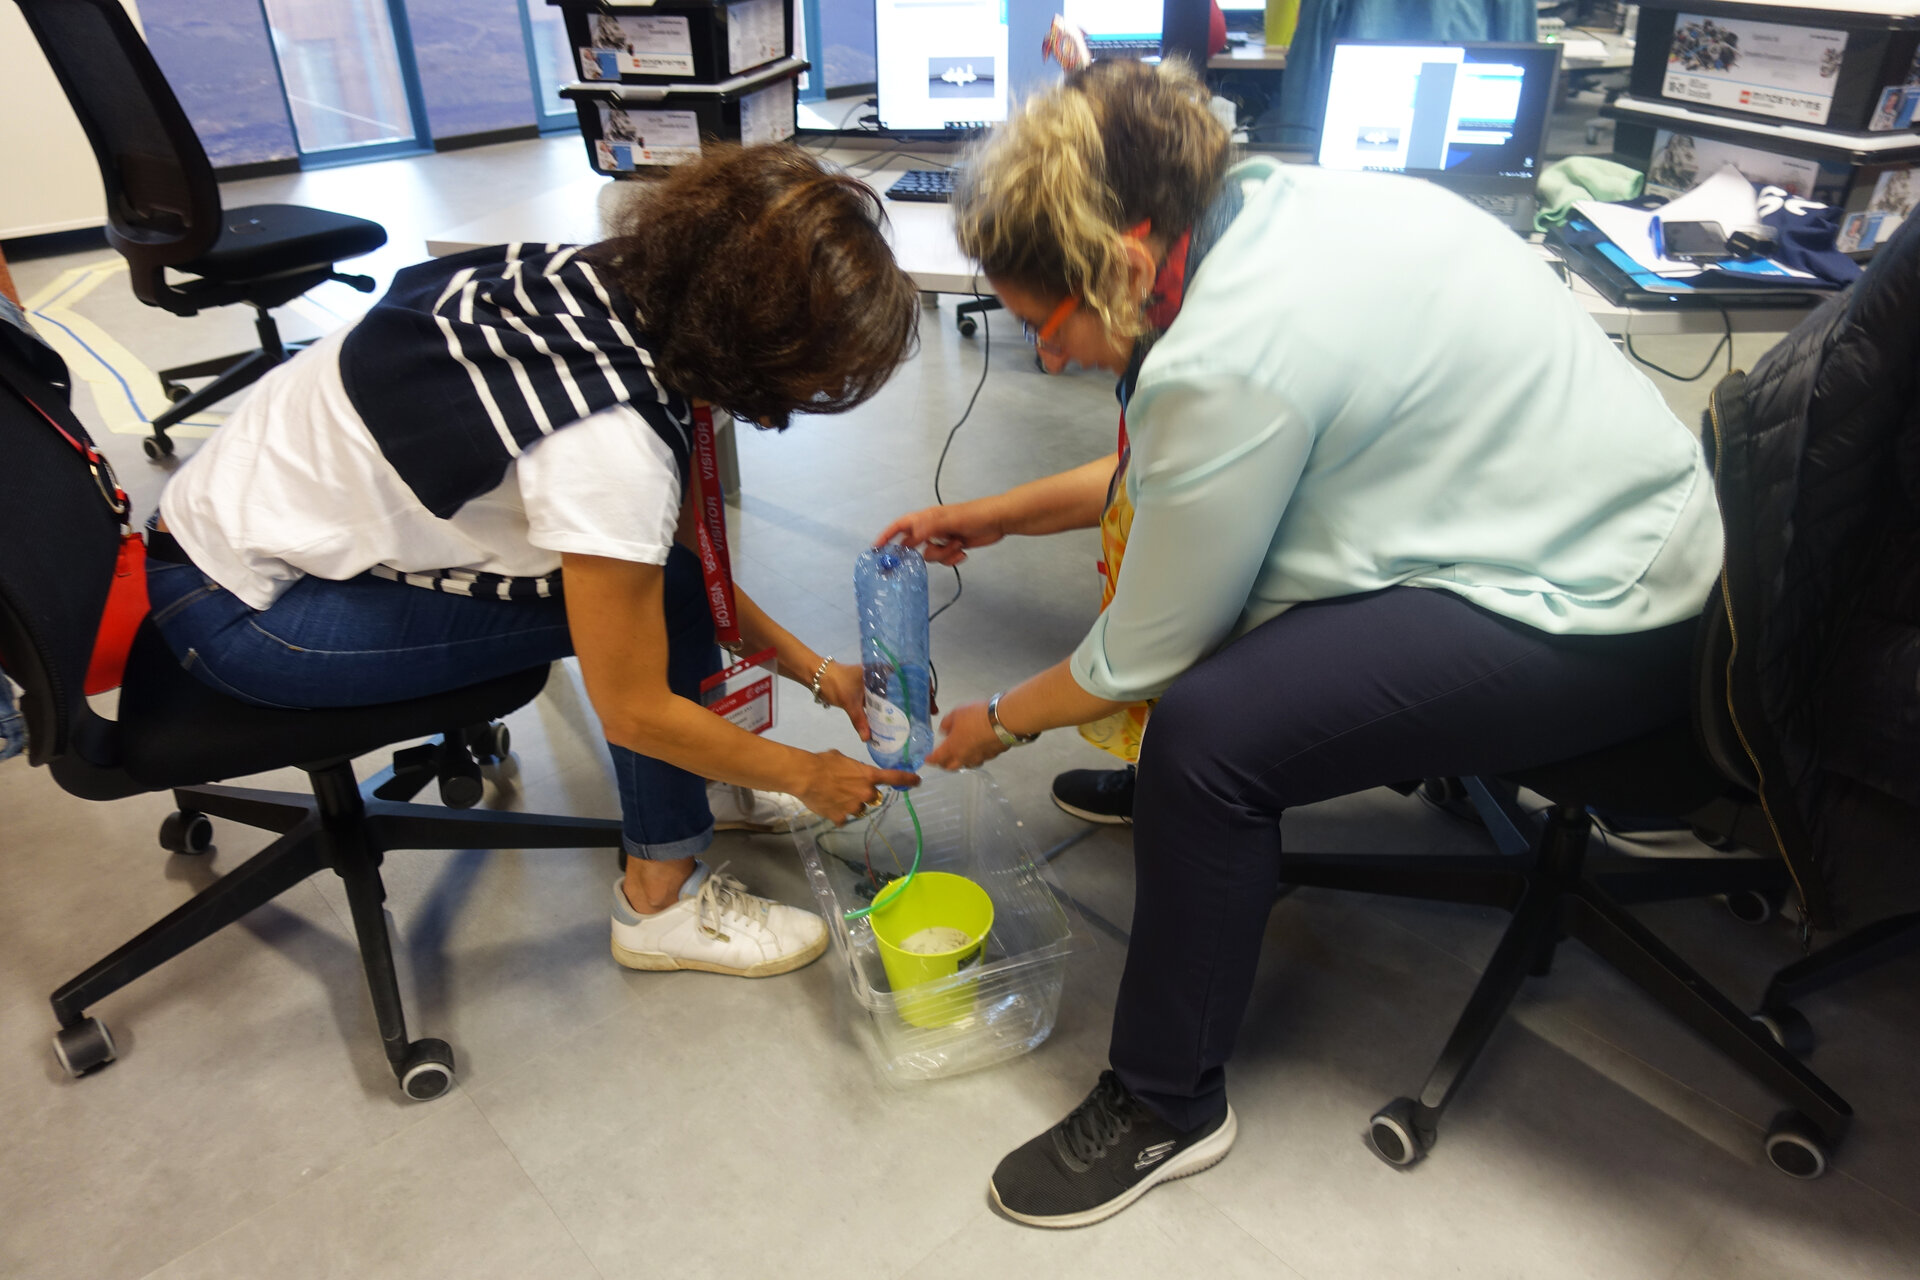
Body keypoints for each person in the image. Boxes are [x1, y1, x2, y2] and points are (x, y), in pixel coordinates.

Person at [879, 60, 1724, 1227]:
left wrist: (996, 721)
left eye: (1045, 327)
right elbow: (1175, 474)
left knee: (1211, 739)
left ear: (1123, 261)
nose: (1053, 360)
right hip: (1600, 509)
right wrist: (993, 512)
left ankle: (1167, 1100)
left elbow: (1146, 648)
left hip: (1602, 606)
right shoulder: (1259, 211)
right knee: (1213, 680)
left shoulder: (1230, 351)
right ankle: (1180, 827)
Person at [148, 144, 922, 981]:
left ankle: (707, 784)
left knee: (667, 589)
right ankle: (656, 902)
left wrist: (818, 674)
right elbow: (632, 707)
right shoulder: (611, 441)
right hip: (251, 609)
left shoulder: (616, 285)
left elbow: (681, 558)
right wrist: (807, 774)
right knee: (656, 615)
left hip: (229, 523)